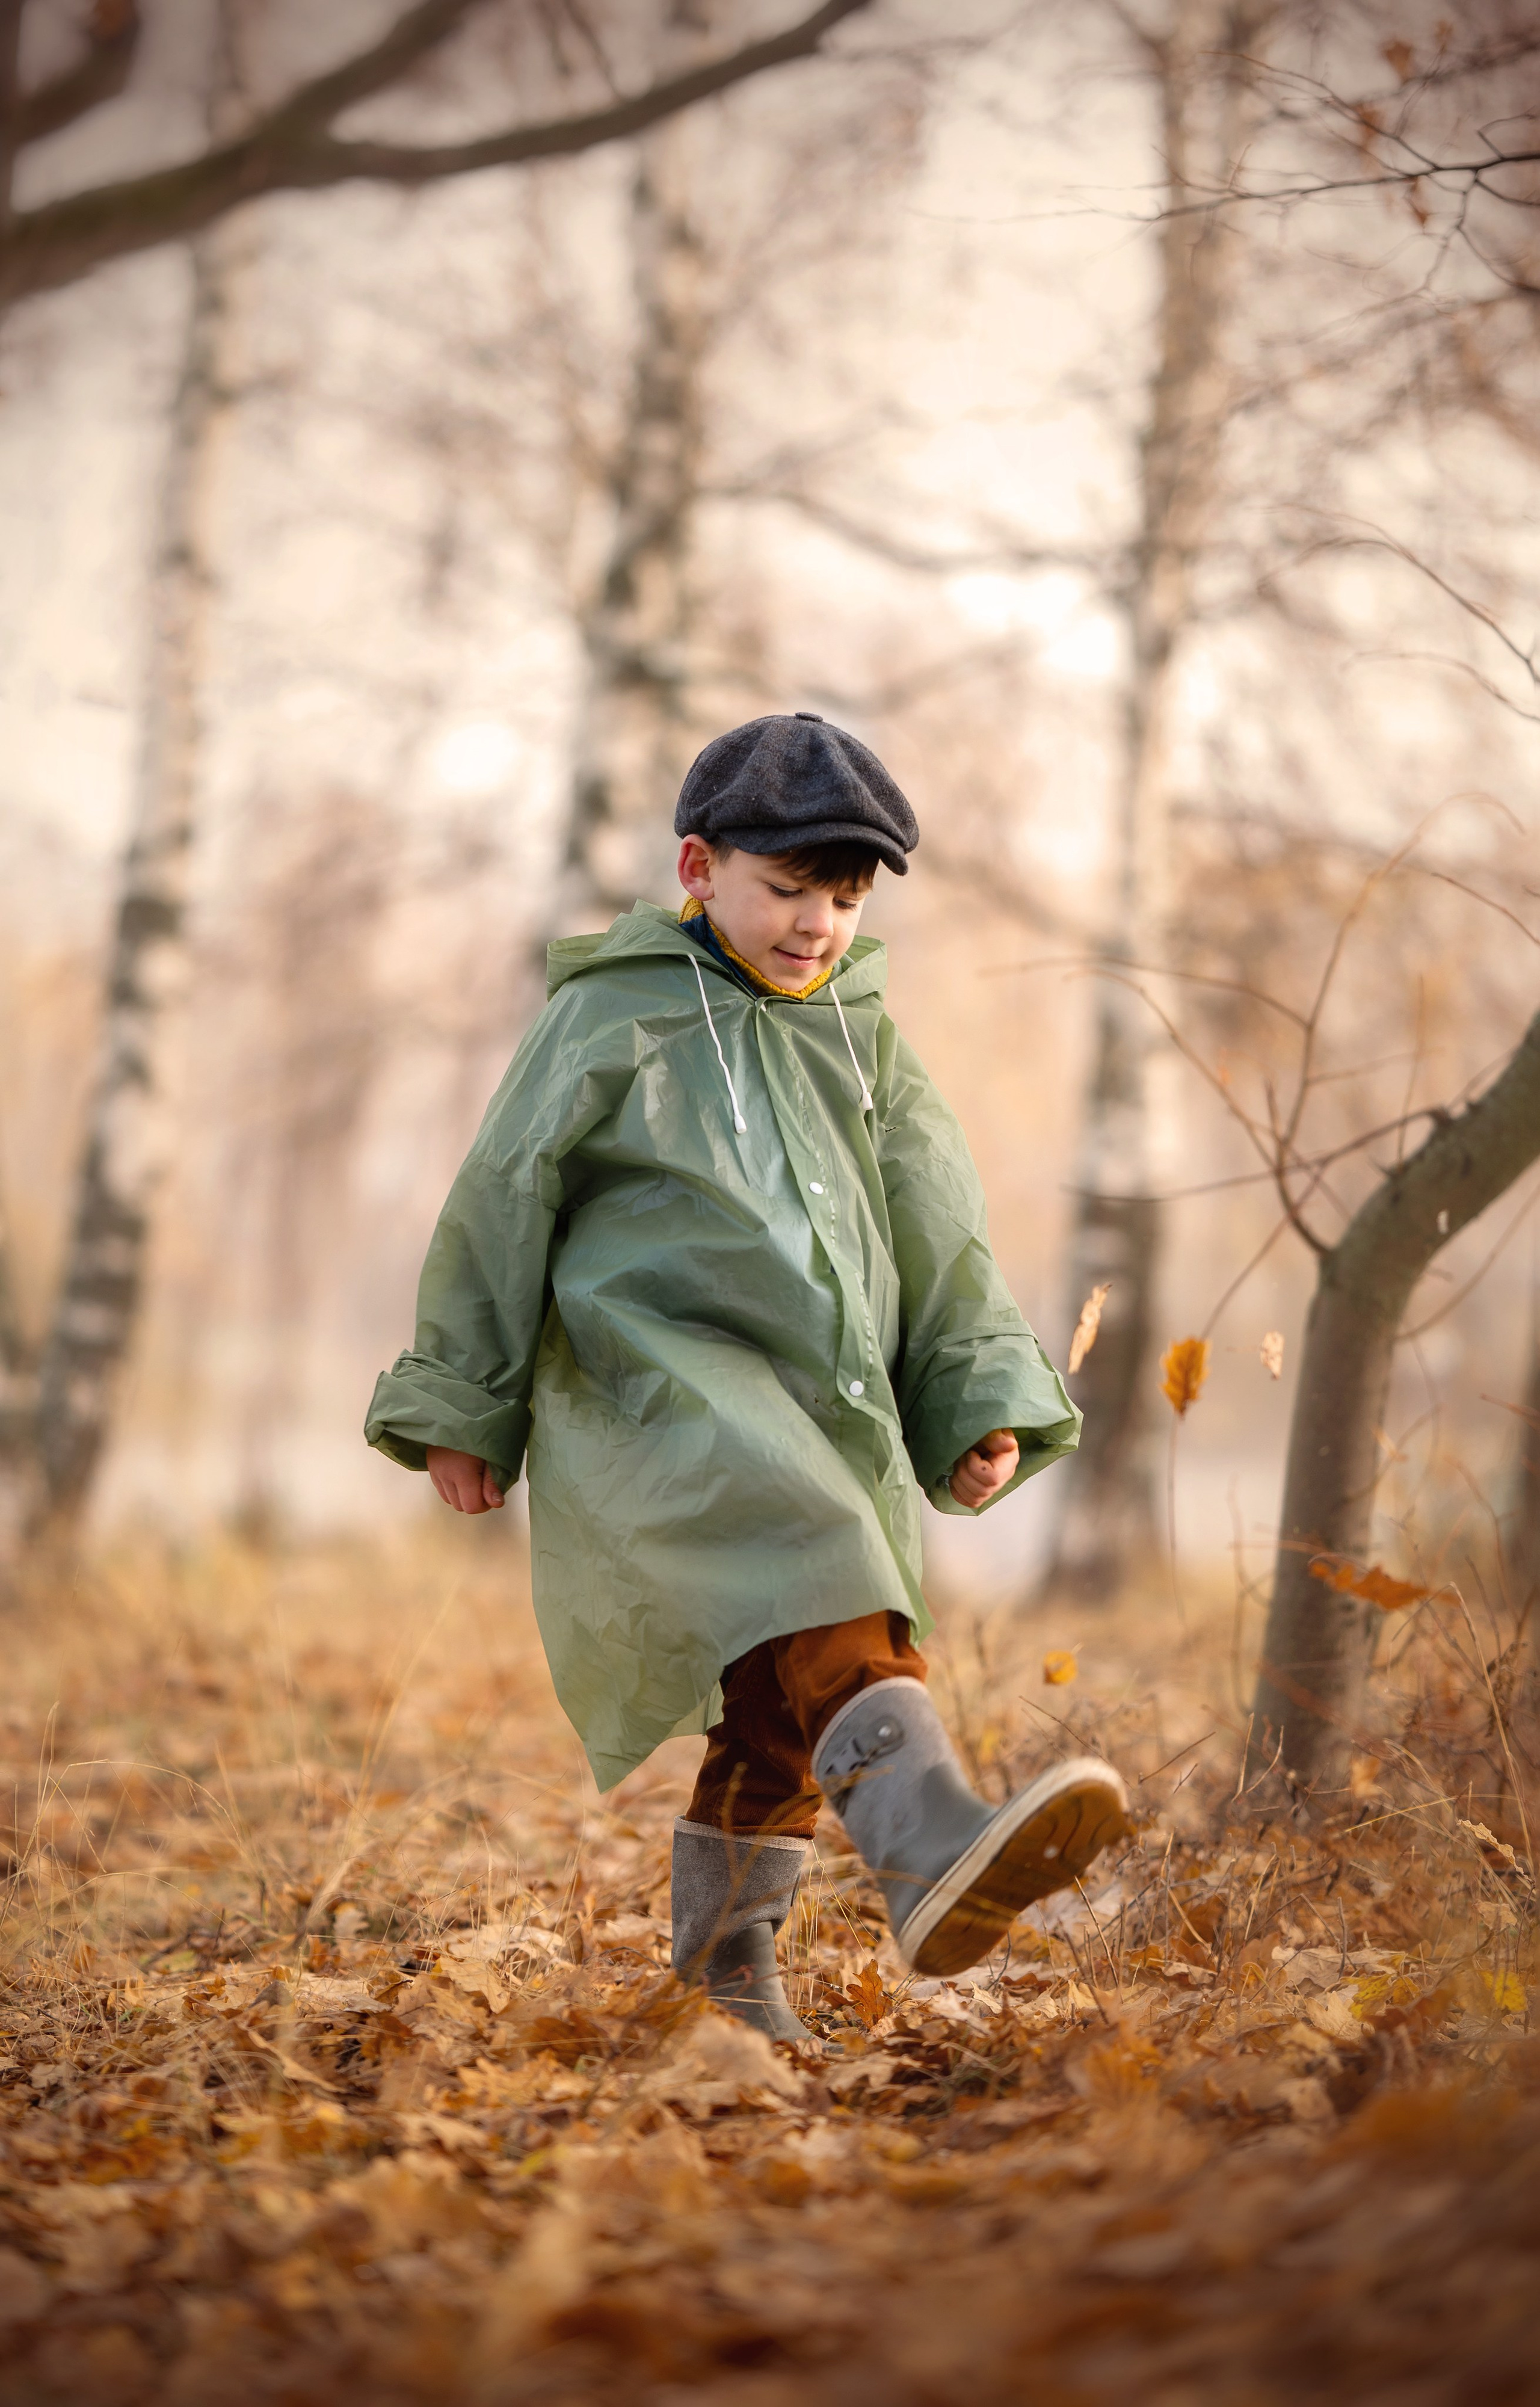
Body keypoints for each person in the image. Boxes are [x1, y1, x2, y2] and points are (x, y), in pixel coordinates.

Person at [366, 712, 1127, 2042]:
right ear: (697, 866)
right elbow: (502, 1197)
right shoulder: (613, 1014)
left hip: (821, 1395)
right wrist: (462, 1404)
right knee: (827, 1560)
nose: (815, 924)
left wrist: (972, 1396)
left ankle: (726, 1979)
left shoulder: (859, 1034)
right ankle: (929, 1839)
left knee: (783, 1702)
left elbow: (934, 1221)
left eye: (842, 898)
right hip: (653, 1386)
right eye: (786, 888)